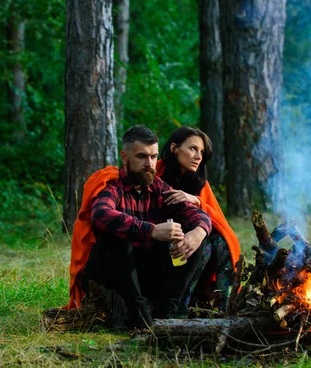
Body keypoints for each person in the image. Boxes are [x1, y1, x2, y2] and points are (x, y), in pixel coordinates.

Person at [76, 125, 211, 329]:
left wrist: (198, 233)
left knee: (194, 239)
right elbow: (101, 214)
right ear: (125, 156)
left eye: (153, 156)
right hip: (109, 276)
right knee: (116, 237)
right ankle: (139, 315)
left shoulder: (159, 188)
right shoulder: (113, 186)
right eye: (142, 156)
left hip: (143, 276)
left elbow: (196, 214)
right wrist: (152, 230)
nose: (149, 164)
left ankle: (166, 314)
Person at [158, 127, 241, 311]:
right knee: (205, 245)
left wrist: (194, 199)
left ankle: (226, 307)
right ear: (174, 148)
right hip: (161, 247)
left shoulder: (199, 182)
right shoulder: (157, 176)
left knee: (220, 242)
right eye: (193, 149)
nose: (198, 156)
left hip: (195, 249)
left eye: (202, 152)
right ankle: (181, 306)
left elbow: (218, 220)